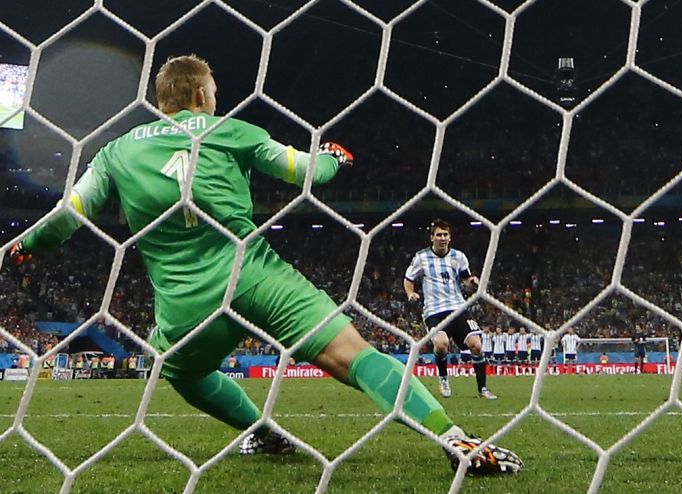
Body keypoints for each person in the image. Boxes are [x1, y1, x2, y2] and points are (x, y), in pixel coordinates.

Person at [7, 55, 520, 474]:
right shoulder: (232, 130)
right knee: (353, 355)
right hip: (254, 275)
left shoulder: (115, 151)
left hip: (185, 304)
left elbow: (69, 215)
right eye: (213, 90)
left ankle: (261, 432)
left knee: (183, 371)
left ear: (162, 101)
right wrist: (334, 157)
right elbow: (305, 171)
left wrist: (26, 246)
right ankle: (454, 437)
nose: (215, 97)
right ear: (201, 94)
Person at [403, 219, 498, 400]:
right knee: (441, 344)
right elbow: (408, 279)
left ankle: (483, 389)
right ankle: (443, 379)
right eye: (439, 235)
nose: (442, 238)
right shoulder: (421, 258)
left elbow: (465, 279)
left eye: (445, 234)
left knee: (476, 345)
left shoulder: (458, 257)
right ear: (432, 238)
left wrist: (472, 282)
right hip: (434, 311)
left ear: (450, 237)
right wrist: (411, 293)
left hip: (458, 308)